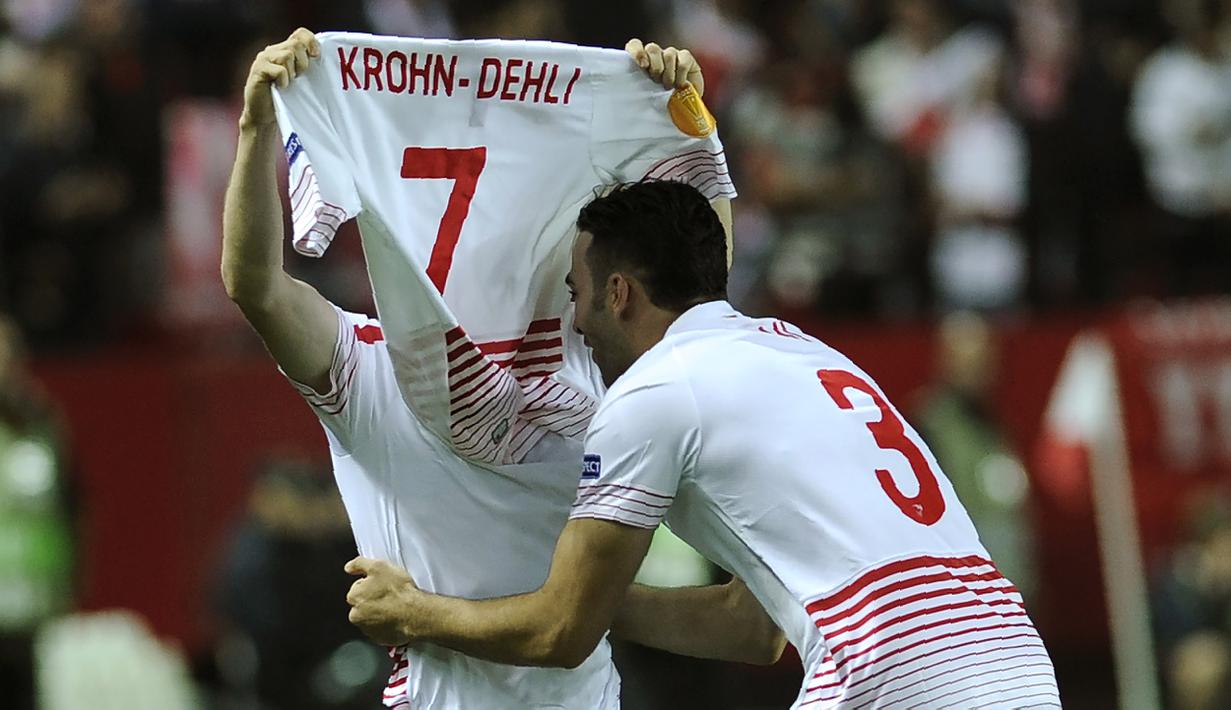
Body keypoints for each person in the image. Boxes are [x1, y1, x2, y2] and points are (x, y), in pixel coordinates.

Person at [224, 28, 782, 710]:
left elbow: (697, 292)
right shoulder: (386, 371)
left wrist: (683, 122)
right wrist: (257, 128)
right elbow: (255, 285)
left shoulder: (597, 369)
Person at [345, 180, 1060, 708]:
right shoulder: (802, 353)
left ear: (618, 292)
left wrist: (417, 612)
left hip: (891, 677)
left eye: (577, 292)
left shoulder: (651, 394)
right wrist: (586, 600)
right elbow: (751, 629)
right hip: (1018, 671)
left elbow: (559, 633)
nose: (575, 320)